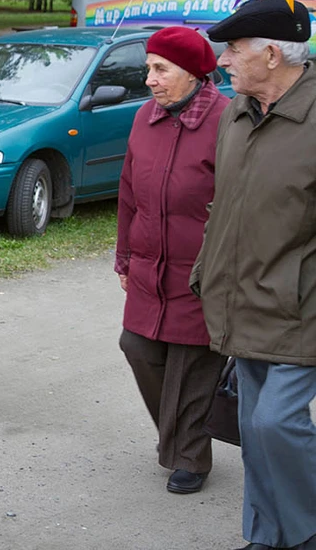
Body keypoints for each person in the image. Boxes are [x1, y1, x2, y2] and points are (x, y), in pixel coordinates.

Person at [192, 0, 316, 550]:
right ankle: (266, 535)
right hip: (239, 297)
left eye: (234, 50)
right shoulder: (236, 116)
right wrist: (204, 271)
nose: (223, 60)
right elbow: (224, 205)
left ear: (271, 54)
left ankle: (306, 531)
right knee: (252, 430)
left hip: (301, 305)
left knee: (275, 424)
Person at [115, 26, 230, 495]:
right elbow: (128, 191)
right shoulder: (145, 117)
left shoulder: (228, 119)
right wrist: (124, 256)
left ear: (194, 74)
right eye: (149, 69)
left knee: (192, 361)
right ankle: (184, 435)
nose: (151, 80)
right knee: (137, 346)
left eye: (161, 70)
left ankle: (190, 455)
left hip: (203, 271)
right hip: (148, 264)